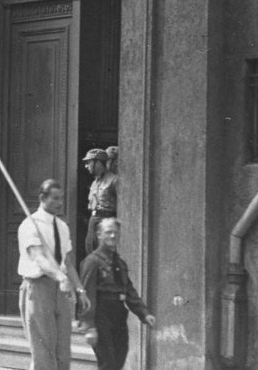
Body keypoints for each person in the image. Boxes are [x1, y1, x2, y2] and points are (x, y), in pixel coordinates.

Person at [18, 179, 90, 370]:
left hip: (61, 290)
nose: (60, 203)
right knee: (43, 349)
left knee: (63, 349)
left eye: (61, 198)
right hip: (39, 287)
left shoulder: (62, 226)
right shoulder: (30, 224)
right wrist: (61, 277)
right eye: (55, 198)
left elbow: (67, 261)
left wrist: (80, 289)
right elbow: (39, 258)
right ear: (42, 198)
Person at [79, 218, 156, 369]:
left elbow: (129, 291)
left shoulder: (120, 263)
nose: (113, 236)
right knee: (108, 363)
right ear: (99, 234)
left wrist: (144, 313)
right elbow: (86, 295)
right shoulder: (92, 261)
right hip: (101, 315)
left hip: (119, 315)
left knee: (119, 358)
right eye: (108, 232)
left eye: (116, 233)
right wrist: (89, 326)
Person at [84, 149, 118, 254]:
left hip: (106, 220)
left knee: (105, 254)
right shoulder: (95, 182)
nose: (86, 166)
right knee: (90, 250)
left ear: (98, 163)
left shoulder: (114, 180)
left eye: (88, 162)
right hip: (93, 220)